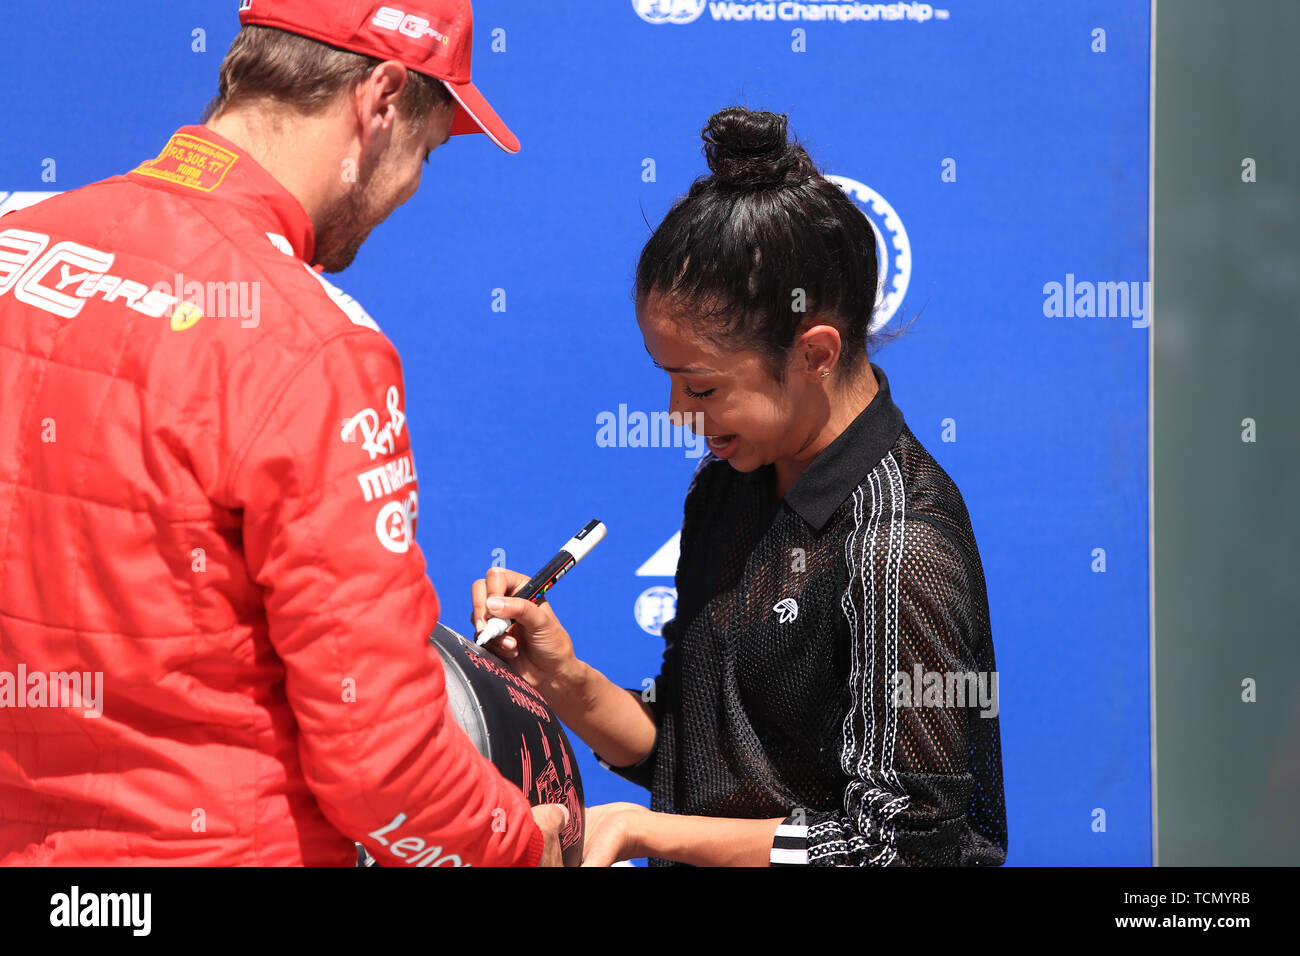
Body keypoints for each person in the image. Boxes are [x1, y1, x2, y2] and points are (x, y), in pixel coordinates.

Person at [0, 0, 569, 866]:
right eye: (429, 148)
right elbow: (383, 768)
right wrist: (518, 845)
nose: (414, 186)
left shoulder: (15, 244)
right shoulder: (315, 345)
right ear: (380, 100)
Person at [473, 106, 1008, 866]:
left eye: (700, 387)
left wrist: (641, 828)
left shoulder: (900, 544)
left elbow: (904, 848)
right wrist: (560, 677)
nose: (675, 415)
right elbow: (691, 757)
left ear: (815, 351)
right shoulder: (727, 490)